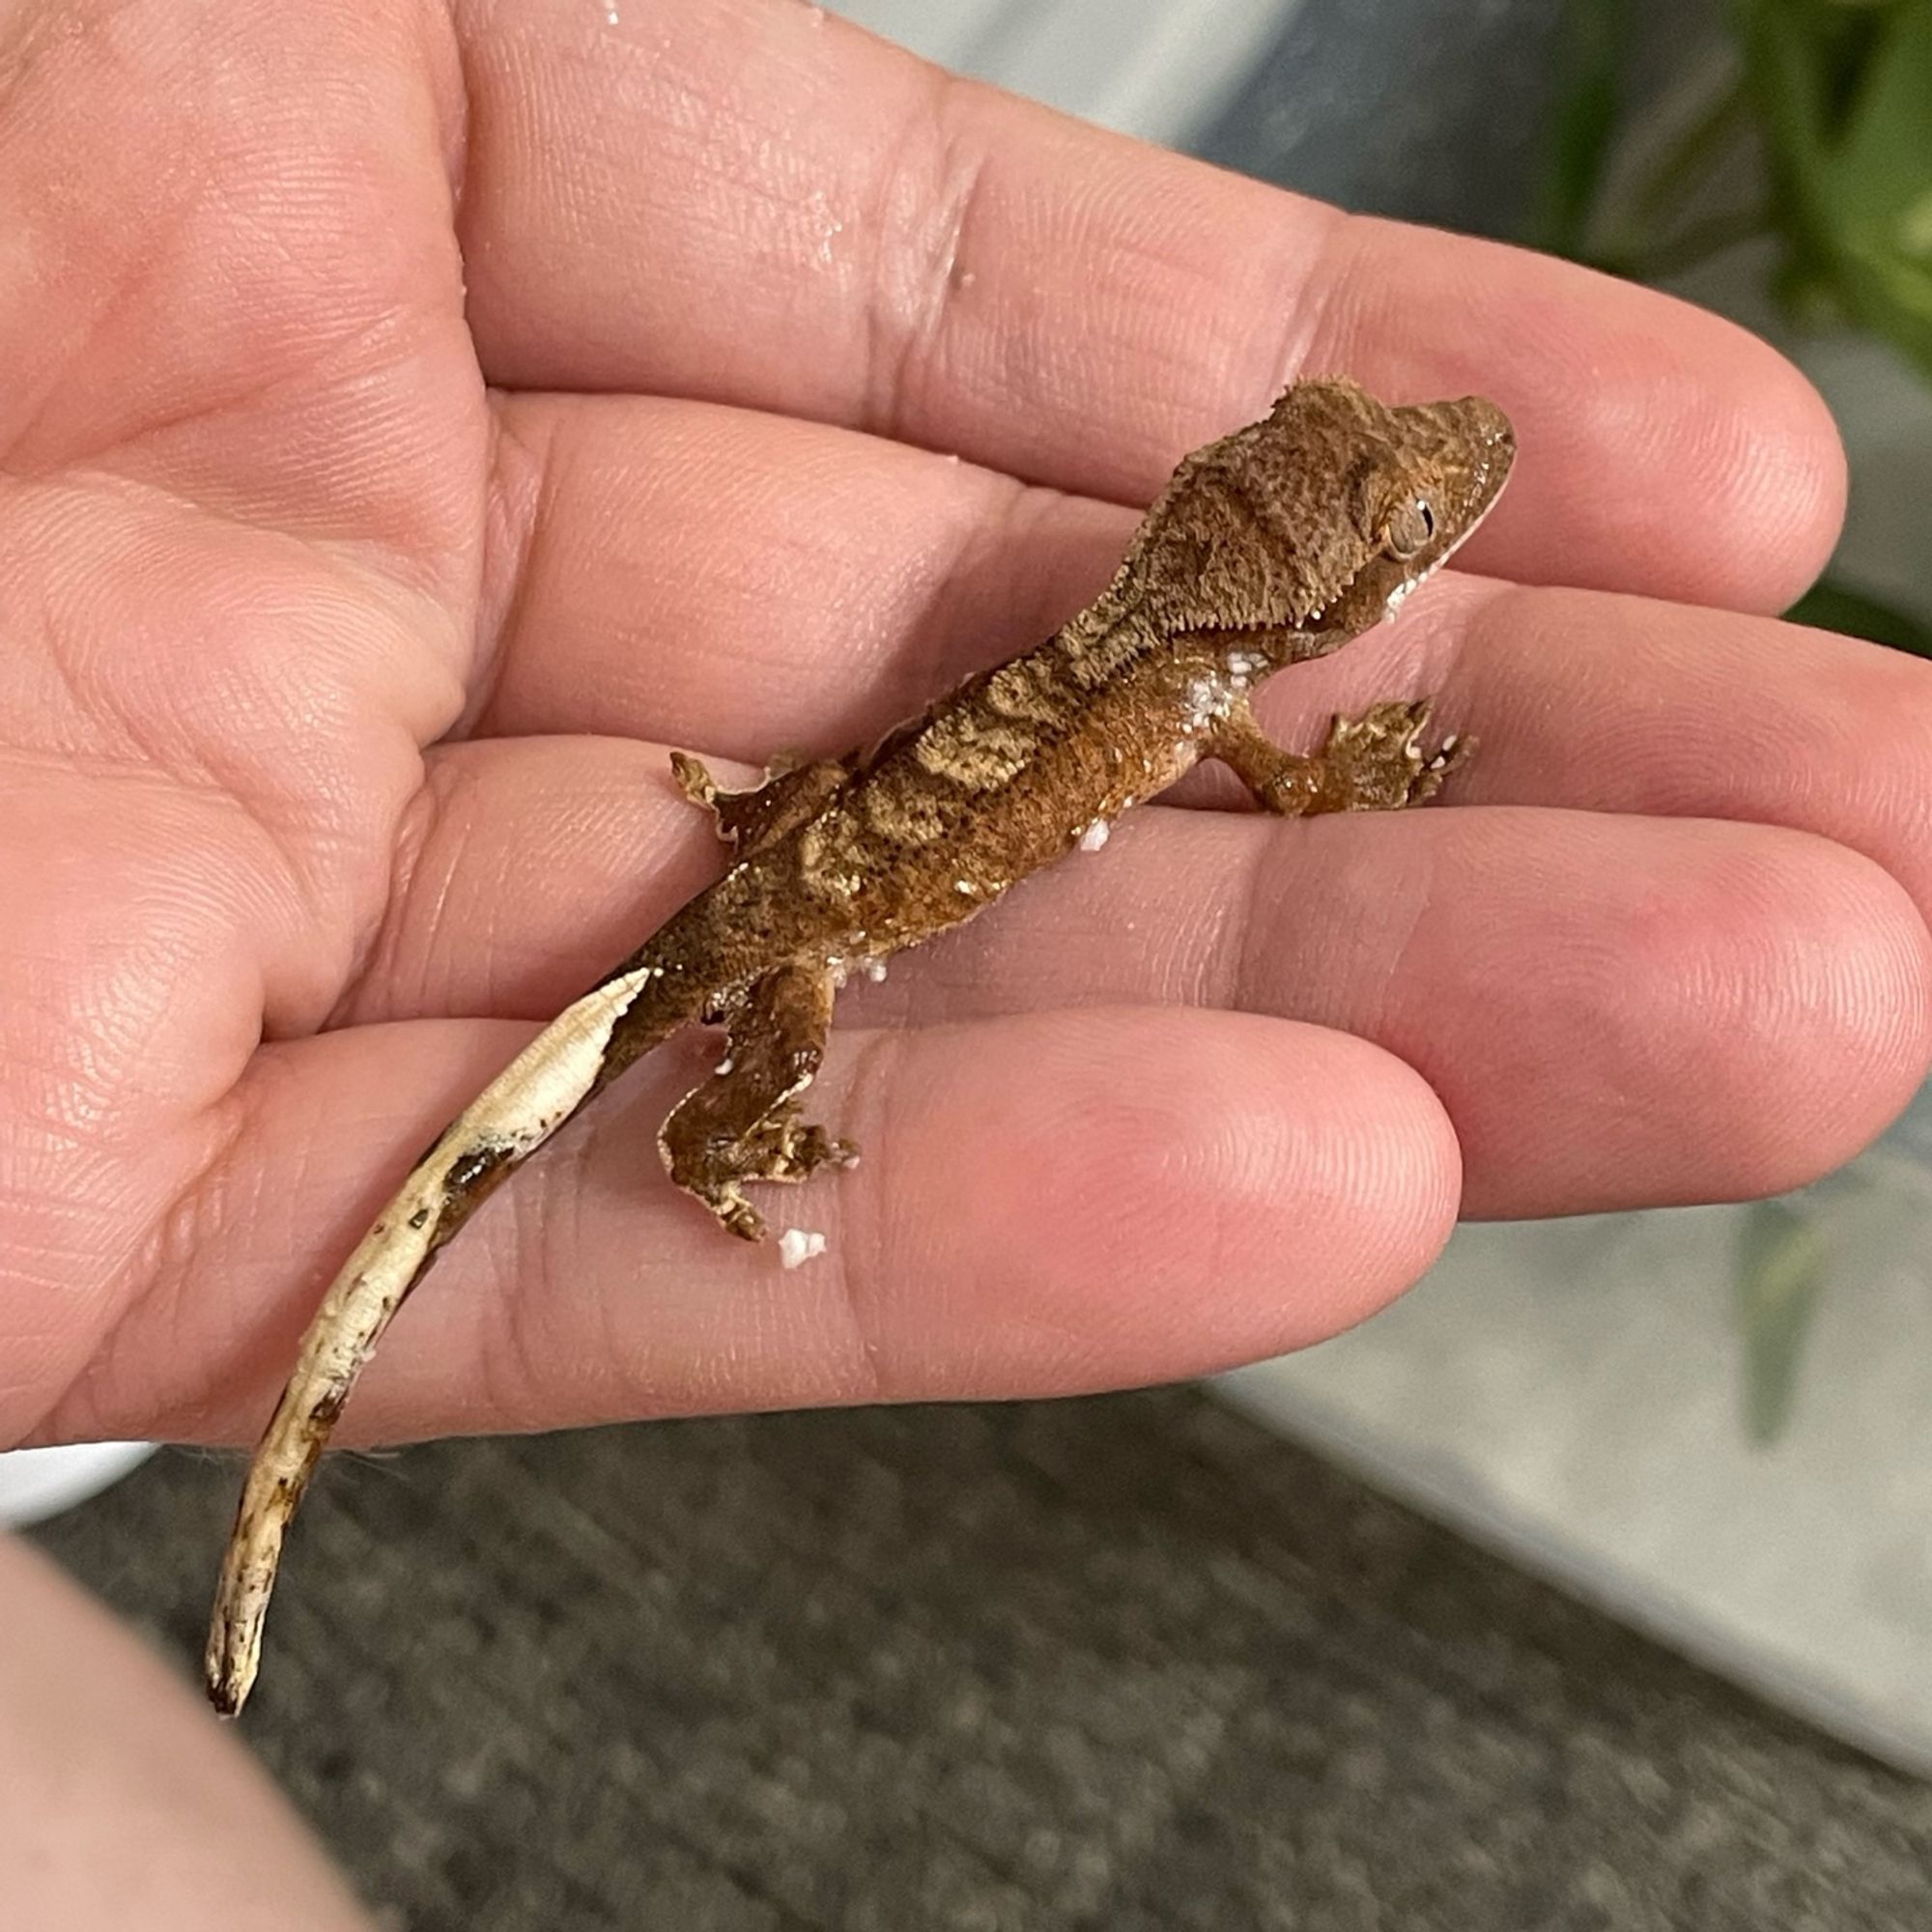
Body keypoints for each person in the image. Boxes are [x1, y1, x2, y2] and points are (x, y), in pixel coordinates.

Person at [3, 1, 1927, 1921]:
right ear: (1332, 594)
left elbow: (1099, 757)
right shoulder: (1203, 690)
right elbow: (1299, 801)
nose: (1446, 476)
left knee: (740, 957)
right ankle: (697, 1153)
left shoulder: (1168, 658)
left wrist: (785, 807)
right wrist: (1354, 767)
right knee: (654, 1075)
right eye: (1405, 502)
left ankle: (351, 1418)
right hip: (813, 921)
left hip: (830, 834)